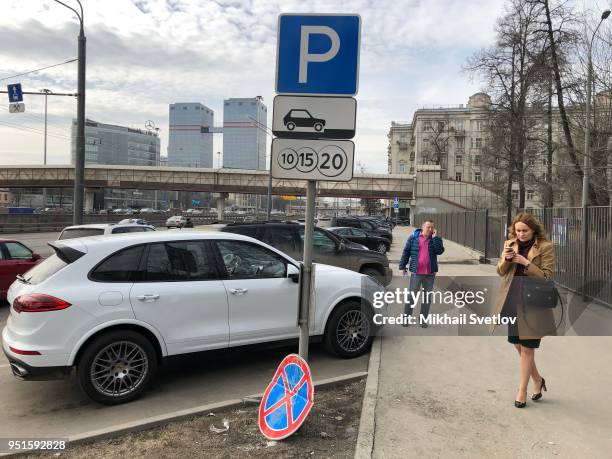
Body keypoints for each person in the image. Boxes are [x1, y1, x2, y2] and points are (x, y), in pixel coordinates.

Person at [492, 213, 556, 408]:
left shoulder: (546, 247)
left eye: (525, 231)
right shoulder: (510, 244)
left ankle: (522, 390)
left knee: (528, 348)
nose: (521, 234)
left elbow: (547, 277)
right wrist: (507, 259)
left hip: (533, 304)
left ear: (533, 230)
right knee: (518, 345)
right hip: (512, 301)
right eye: (518, 230)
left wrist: (525, 263)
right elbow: (500, 271)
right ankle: (537, 379)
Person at [399, 219, 445, 327]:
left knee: (426, 298)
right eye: (428, 227)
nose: (430, 229)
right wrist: (402, 266)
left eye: (432, 227)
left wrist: (435, 239)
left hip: (430, 274)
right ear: (422, 227)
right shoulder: (413, 238)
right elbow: (406, 252)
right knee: (411, 296)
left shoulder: (436, 239)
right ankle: (406, 319)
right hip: (416, 273)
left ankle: (423, 320)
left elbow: (440, 251)